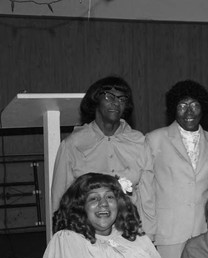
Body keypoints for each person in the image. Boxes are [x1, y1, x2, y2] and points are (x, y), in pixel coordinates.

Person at [41, 173, 182, 258]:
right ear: (80, 206)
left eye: (109, 197)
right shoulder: (67, 241)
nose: (103, 204)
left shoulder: (134, 235)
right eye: (93, 198)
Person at [140, 80, 208, 258]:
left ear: (203, 108)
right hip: (167, 233)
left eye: (194, 105)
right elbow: (145, 190)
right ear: (173, 109)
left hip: (203, 233)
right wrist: (148, 232)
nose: (189, 111)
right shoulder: (154, 140)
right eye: (182, 106)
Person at [51, 76, 150, 213]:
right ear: (95, 99)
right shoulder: (73, 144)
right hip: (87, 228)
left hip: (129, 225)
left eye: (122, 99)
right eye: (110, 96)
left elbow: (149, 196)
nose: (116, 103)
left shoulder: (140, 141)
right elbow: (59, 198)